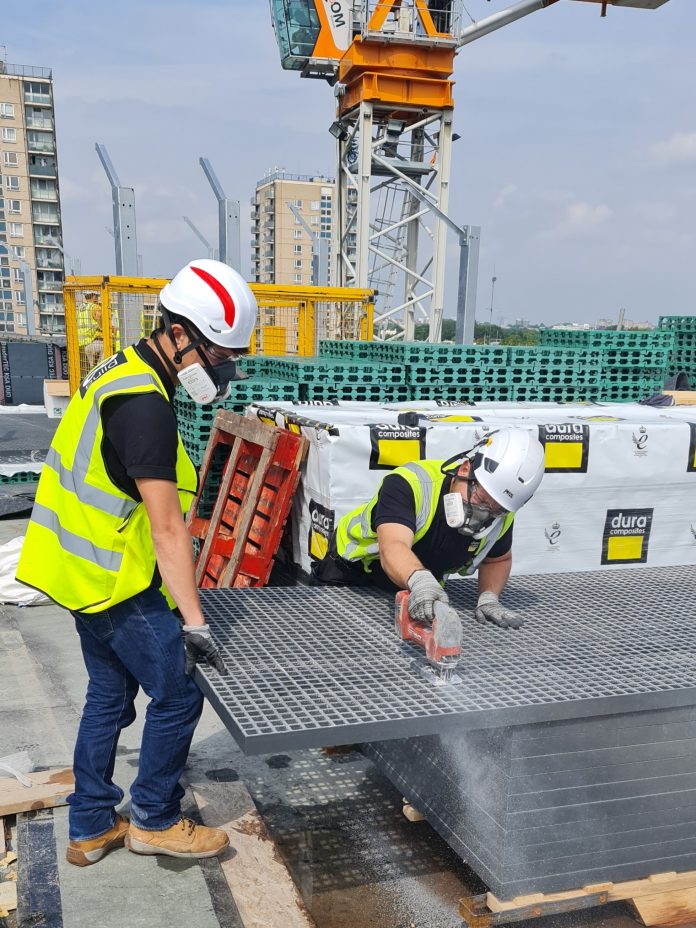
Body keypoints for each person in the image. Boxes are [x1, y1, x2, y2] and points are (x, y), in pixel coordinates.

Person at [16, 259, 258, 867]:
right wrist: (194, 621)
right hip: (112, 581)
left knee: (107, 696)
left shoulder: (121, 369)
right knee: (178, 693)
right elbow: (167, 525)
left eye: (230, 356)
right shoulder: (144, 406)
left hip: (77, 569)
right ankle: (154, 817)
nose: (222, 369)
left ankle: (92, 825)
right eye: (215, 353)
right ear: (177, 334)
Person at [312, 428, 545, 629]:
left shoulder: (501, 515)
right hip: (351, 578)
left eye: (496, 510)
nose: (482, 515)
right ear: (465, 470)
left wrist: (489, 597)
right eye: (482, 501)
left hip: (418, 592)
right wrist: (421, 581)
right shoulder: (410, 484)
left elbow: (498, 560)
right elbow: (393, 546)